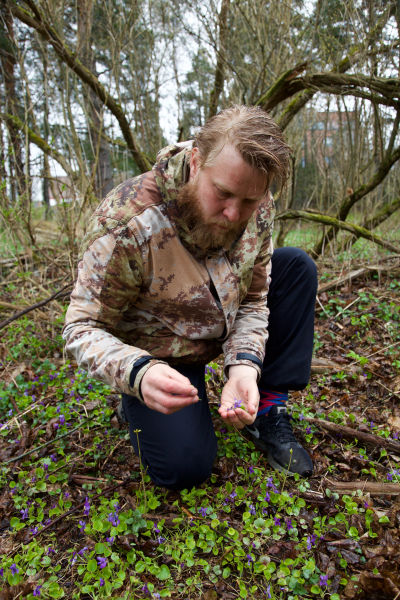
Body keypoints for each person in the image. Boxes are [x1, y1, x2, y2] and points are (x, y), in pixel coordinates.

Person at [63, 105, 317, 490]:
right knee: (184, 468)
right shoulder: (128, 223)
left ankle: (266, 405)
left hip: (222, 320)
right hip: (164, 355)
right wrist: (138, 372)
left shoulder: (256, 200)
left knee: (296, 267)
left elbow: (253, 298)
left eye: (249, 202)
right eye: (223, 194)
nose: (234, 214)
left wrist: (244, 367)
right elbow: (81, 328)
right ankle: (135, 401)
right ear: (197, 162)